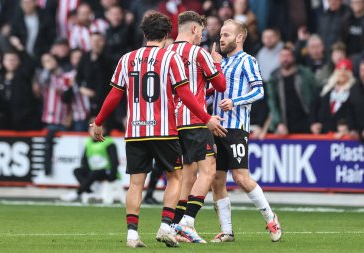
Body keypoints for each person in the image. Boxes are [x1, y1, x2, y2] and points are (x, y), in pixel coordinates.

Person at [90, 11, 227, 248]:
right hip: (164, 130)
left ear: (144, 33)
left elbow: (114, 94)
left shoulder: (127, 58)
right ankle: (166, 226)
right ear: (166, 35)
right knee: (175, 177)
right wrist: (205, 117)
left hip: (135, 131)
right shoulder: (169, 59)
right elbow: (185, 94)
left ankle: (132, 234)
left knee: (135, 183)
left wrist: (99, 121)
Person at [211, 19, 282, 243]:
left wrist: (236, 101)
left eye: (226, 35)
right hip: (217, 127)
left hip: (236, 128)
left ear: (239, 38)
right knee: (216, 180)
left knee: (241, 178)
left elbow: (259, 90)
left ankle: (271, 218)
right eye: (221, 34)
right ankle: (227, 230)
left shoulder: (248, 61)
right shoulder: (220, 63)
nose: (221, 39)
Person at [166, 11, 226, 243]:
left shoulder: (166, 52)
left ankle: (172, 226)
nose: (202, 35)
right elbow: (219, 84)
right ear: (193, 29)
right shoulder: (198, 53)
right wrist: (217, 63)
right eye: (201, 31)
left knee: (187, 175)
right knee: (209, 169)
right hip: (195, 120)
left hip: (171, 123)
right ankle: (187, 222)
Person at [60, 122, 119, 202]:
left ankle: (77, 193)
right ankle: (89, 191)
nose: (93, 132)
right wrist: (85, 169)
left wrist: (112, 175)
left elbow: (114, 161)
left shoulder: (108, 142)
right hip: (93, 171)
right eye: (91, 129)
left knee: (95, 172)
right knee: (77, 171)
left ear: (103, 130)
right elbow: (84, 160)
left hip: (106, 171)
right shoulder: (88, 142)